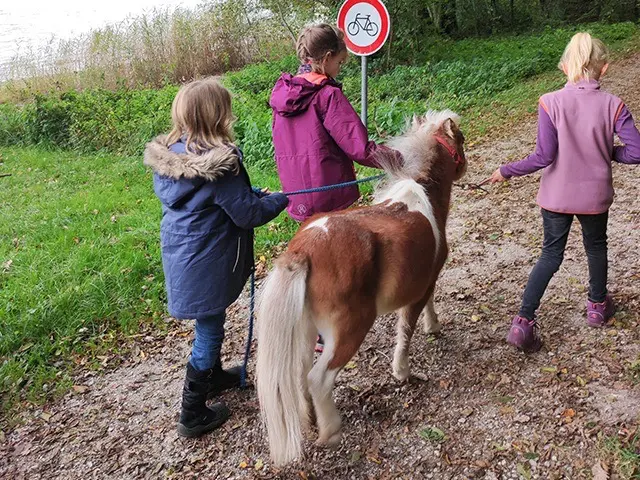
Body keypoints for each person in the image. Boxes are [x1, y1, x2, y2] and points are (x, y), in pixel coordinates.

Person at [143, 78, 289, 437]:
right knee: (208, 332)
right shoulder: (220, 163)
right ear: (218, 115)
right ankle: (192, 413)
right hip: (206, 258)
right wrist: (279, 200)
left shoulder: (175, 155)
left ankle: (214, 376)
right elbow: (248, 215)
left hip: (184, 254)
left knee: (212, 321)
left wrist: (249, 192)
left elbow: (211, 199)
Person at [489, 32, 640, 352]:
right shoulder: (614, 105)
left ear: (564, 67)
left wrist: (505, 170)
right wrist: (610, 152)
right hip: (595, 197)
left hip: (556, 196)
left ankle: (523, 323)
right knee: (596, 247)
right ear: (605, 68)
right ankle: (597, 307)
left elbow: (543, 157)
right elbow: (637, 151)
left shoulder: (550, 101)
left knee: (550, 255)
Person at [270, 23, 401, 223]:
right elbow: (360, 149)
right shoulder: (327, 95)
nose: (339, 69)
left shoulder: (283, 96)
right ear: (327, 58)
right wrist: (401, 159)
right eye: (340, 62)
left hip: (298, 198)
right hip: (332, 199)